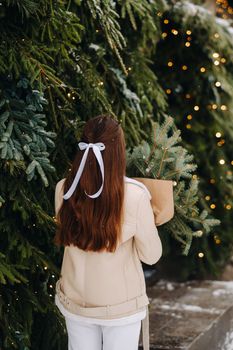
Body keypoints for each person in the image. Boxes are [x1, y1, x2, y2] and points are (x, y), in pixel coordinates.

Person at [54, 115, 163, 350]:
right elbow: (151, 256)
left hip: (74, 301)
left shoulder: (63, 189)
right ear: (118, 152)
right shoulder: (135, 196)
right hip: (119, 307)